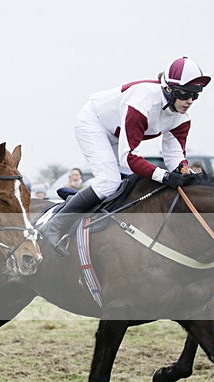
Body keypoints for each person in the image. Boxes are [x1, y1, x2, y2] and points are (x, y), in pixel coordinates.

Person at [42, 56, 209, 257]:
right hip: (94, 124)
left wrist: (184, 171)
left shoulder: (182, 118)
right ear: (168, 89)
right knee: (109, 182)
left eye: (195, 95)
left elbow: (174, 156)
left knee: (132, 182)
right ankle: (54, 225)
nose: (190, 101)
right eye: (185, 93)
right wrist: (164, 176)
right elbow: (129, 157)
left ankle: (87, 204)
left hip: (117, 134)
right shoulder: (143, 103)